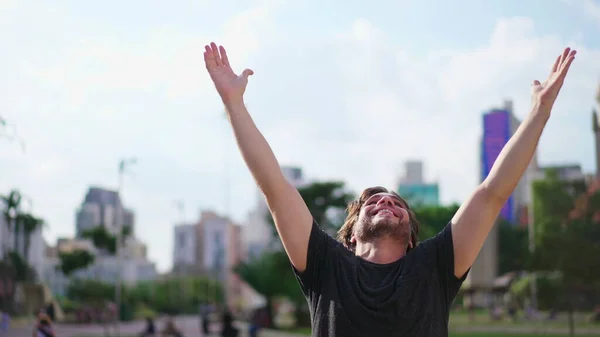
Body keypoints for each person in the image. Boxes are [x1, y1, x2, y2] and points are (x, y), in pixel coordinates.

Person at [204, 42, 576, 336]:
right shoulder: (324, 265)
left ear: (412, 236)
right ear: (349, 234)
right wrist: (234, 104)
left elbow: (492, 193)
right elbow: (274, 187)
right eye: (373, 201)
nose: (385, 201)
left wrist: (539, 112)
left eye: (397, 202)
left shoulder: (435, 266)